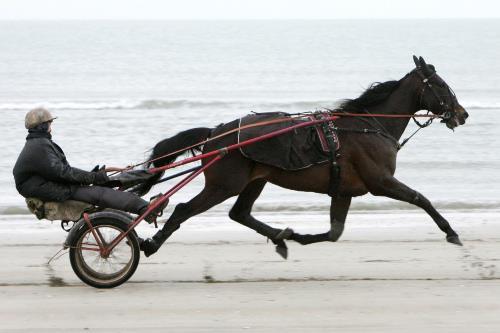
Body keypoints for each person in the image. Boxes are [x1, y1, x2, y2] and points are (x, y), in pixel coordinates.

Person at [13, 108, 154, 219]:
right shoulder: (39, 146)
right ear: (42, 126)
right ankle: (145, 208)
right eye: (49, 123)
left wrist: (92, 176)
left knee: (102, 188)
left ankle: (140, 202)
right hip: (52, 189)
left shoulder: (39, 143)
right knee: (100, 193)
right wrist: (93, 177)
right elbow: (62, 172)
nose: (51, 126)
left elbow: (60, 171)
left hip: (51, 186)